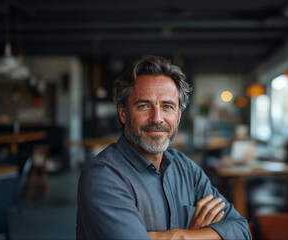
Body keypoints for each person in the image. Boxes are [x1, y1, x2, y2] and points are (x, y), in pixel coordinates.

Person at [76, 55, 251, 240]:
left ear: (179, 115)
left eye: (167, 106)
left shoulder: (186, 168)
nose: (157, 118)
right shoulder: (102, 176)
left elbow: (241, 230)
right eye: (144, 106)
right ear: (123, 113)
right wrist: (198, 234)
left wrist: (181, 236)